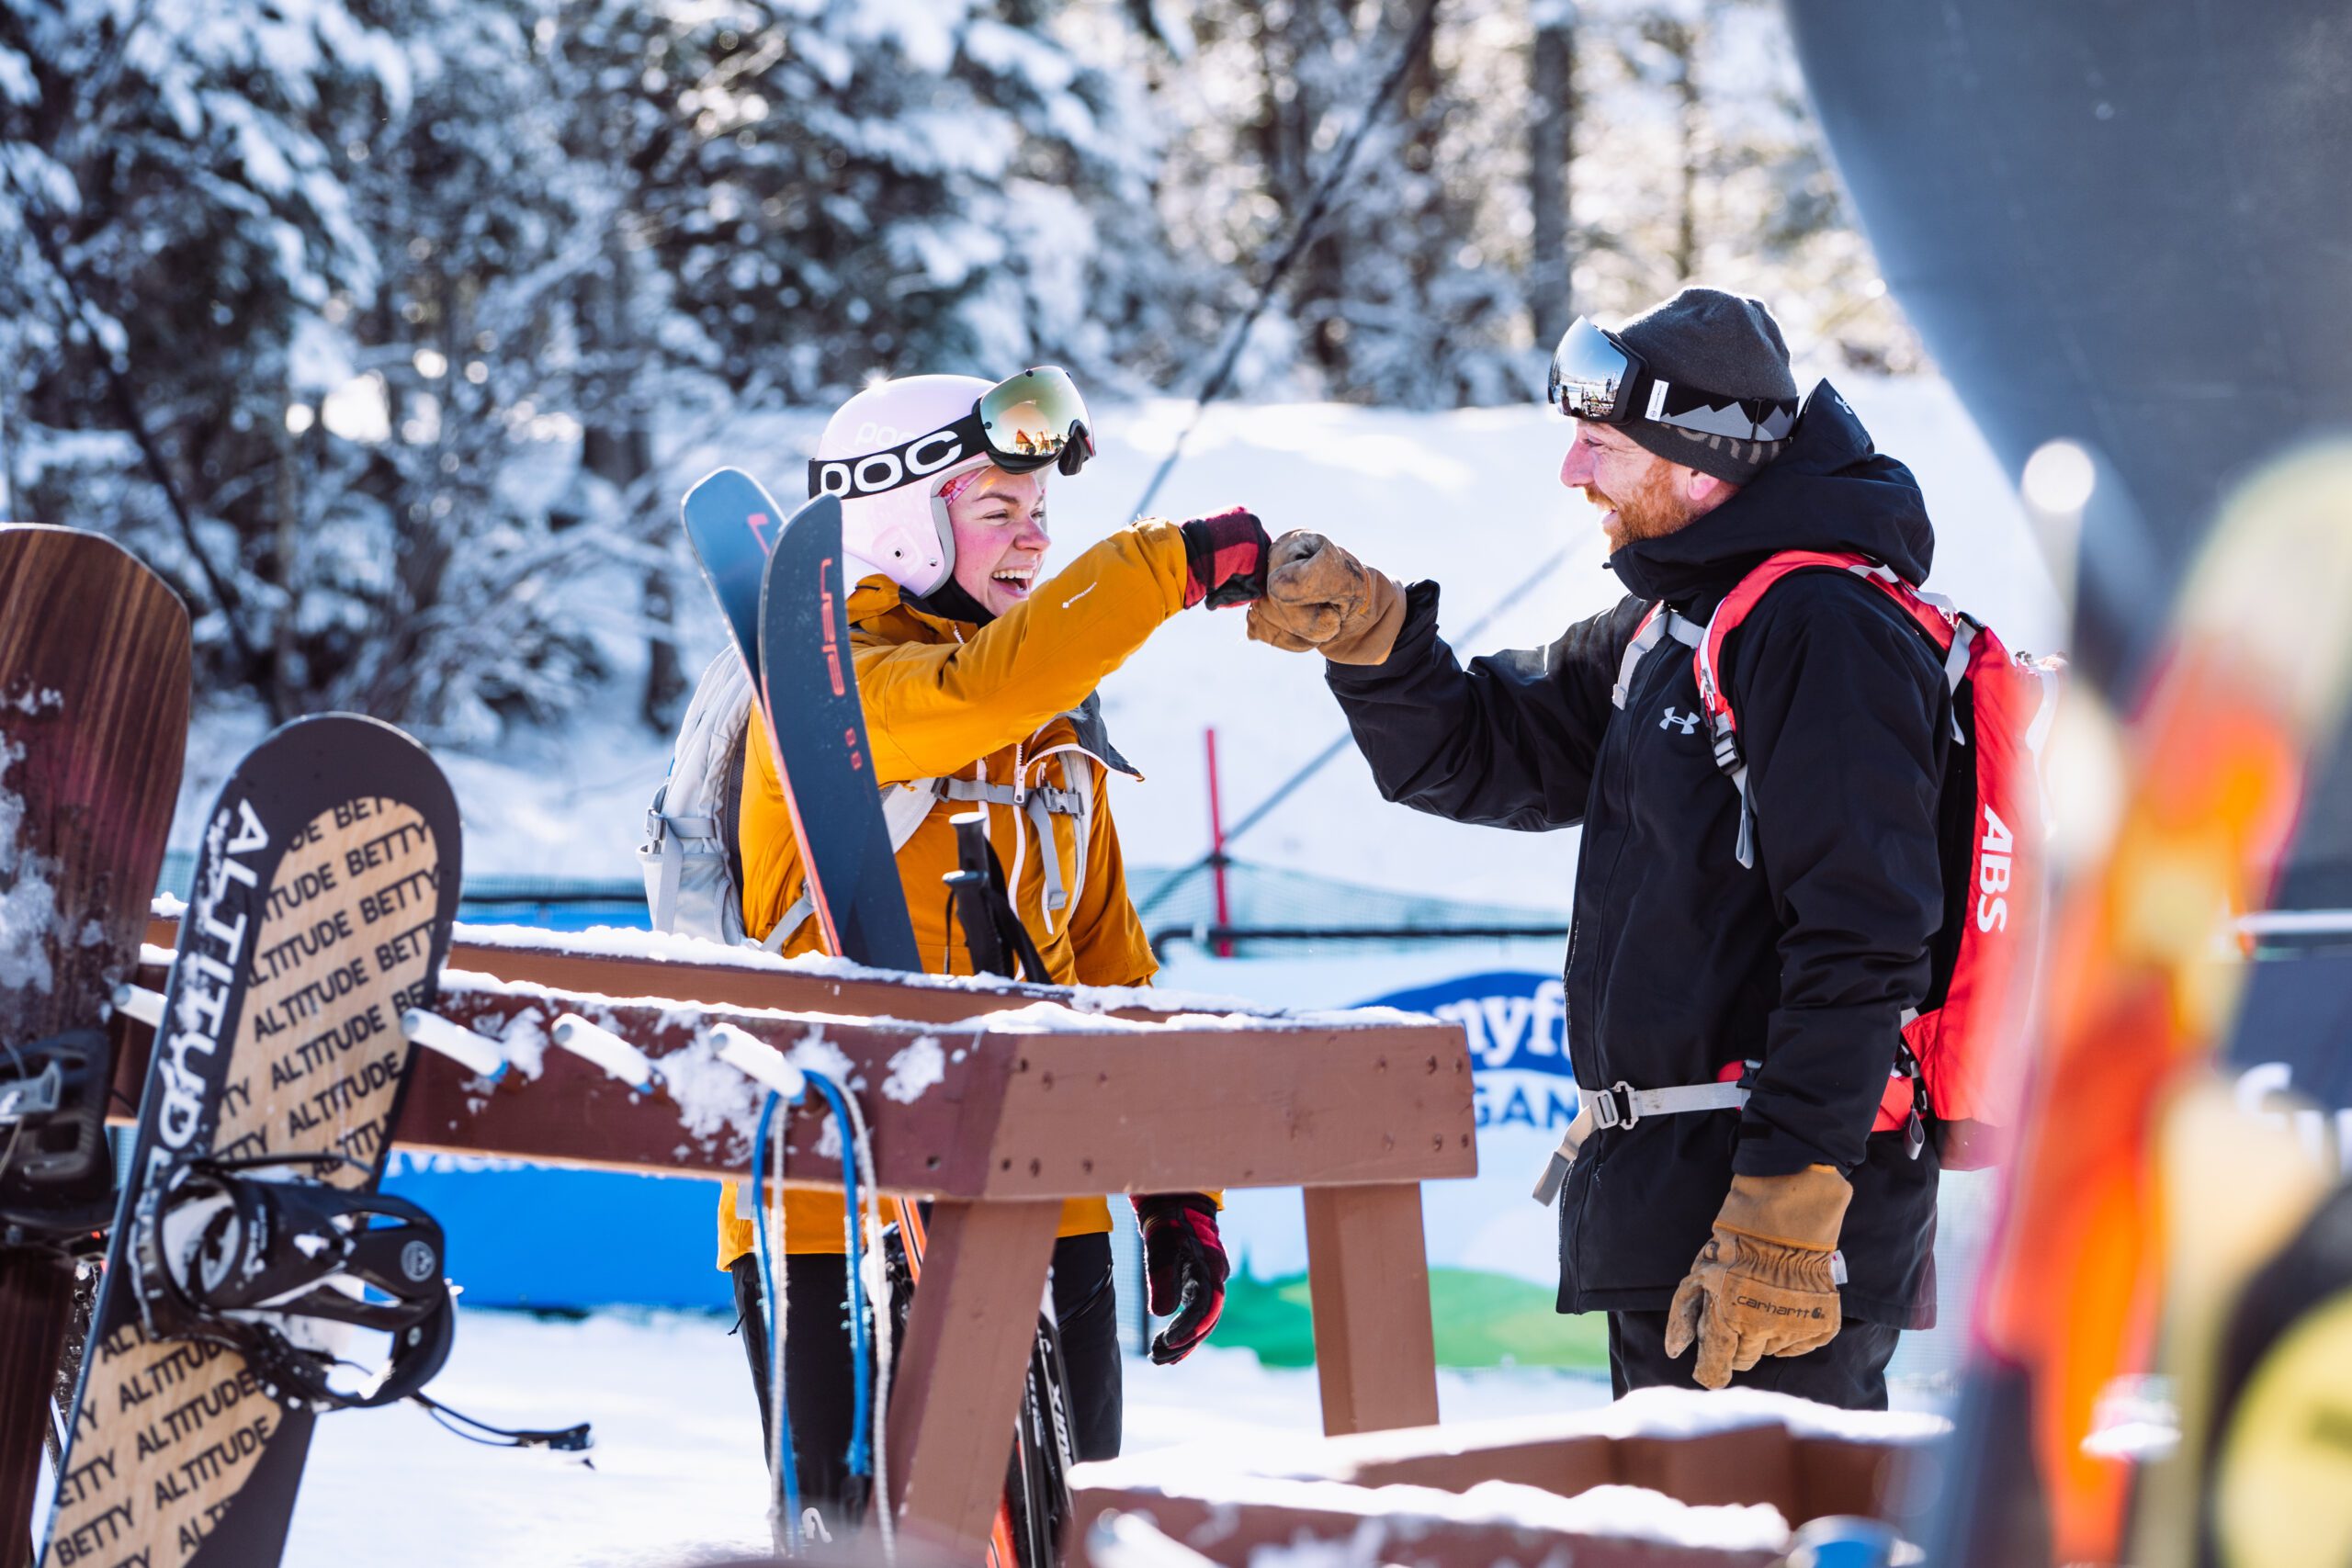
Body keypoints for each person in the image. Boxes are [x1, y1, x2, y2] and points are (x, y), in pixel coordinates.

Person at [1245, 289, 1948, 1410]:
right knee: (1673, 1507)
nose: (1573, 472)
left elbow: (1865, 935)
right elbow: (1489, 750)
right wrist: (1378, 643)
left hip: (1775, 1221)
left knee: (1765, 1510)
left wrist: (1788, 1201)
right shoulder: (1674, 625)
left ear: (1700, 466)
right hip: (1676, 1202)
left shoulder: (1821, 626)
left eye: (1602, 446)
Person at [720, 368, 1263, 1523]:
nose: (1033, 540)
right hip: (839, 1209)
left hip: (1046, 1202)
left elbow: (1108, 965)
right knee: (867, 1548)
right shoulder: (825, 685)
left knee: (1061, 1540)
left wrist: (1175, 1188)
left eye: (1041, 513)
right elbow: (974, 693)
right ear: (897, 522)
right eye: (997, 509)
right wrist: (1167, 564)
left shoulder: (1049, 718)